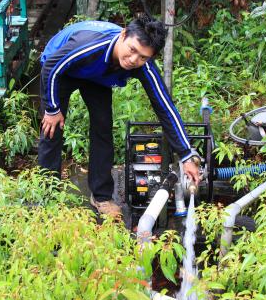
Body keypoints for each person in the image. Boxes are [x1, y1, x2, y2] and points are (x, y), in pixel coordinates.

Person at [38, 15, 201, 218]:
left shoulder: (143, 66)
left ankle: (101, 196)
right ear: (123, 34)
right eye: (132, 50)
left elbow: (165, 107)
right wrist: (53, 109)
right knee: (51, 130)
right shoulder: (90, 45)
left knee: (103, 128)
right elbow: (51, 67)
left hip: (97, 76)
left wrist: (186, 154)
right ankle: (46, 197)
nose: (134, 60)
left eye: (143, 57)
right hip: (59, 70)